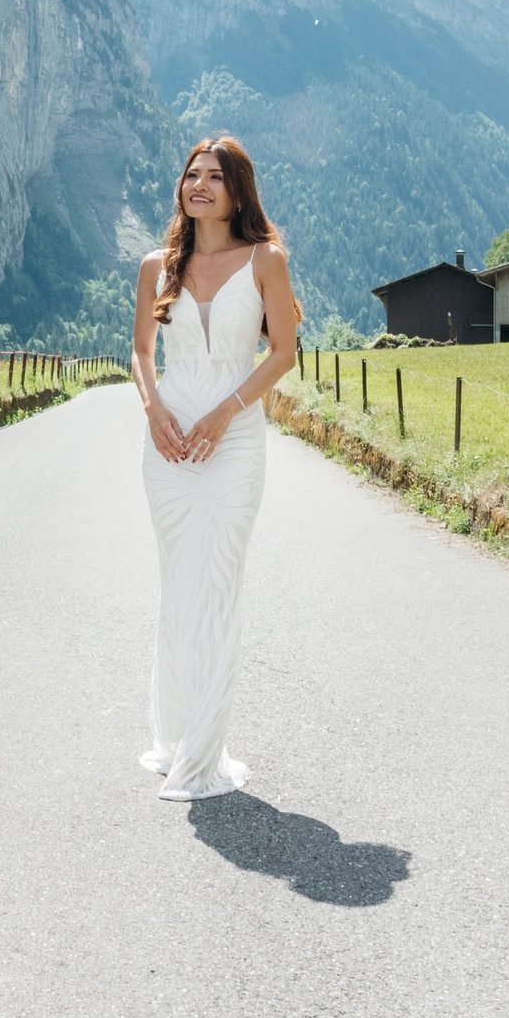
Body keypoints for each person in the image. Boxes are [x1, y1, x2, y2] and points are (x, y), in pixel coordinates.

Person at [129, 134, 302, 801]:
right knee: (179, 585)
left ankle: (202, 756)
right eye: (190, 174)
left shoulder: (266, 260)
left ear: (238, 189)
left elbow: (283, 351)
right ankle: (174, 737)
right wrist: (155, 414)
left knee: (217, 584)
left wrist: (225, 411)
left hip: (232, 438)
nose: (197, 184)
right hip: (168, 444)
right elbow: (142, 352)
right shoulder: (156, 265)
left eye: (213, 176)